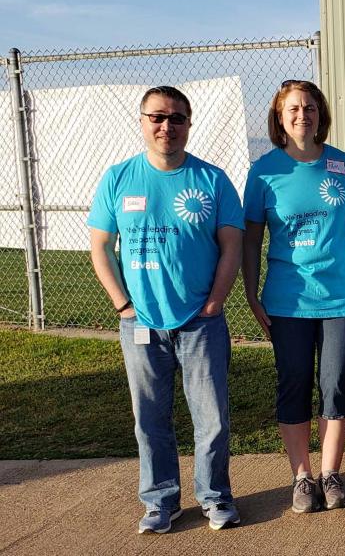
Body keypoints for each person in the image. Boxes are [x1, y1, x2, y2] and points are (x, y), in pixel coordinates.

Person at [88, 86, 244, 533]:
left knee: (211, 417)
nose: (166, 126)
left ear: (188, 125)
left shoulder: (212, 180)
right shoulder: (119, 178)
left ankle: (215, 497)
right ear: (142, 121)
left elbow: (231, 245)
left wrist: (215, 301)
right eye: (157, 117)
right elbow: (101, 246)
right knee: (150, 417)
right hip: (141, 323)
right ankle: (161, 502)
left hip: (200, 321)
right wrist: (123, 305)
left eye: (177, 118)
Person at [242, 80, 345, 513]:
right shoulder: (264, 171)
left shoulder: (343, 164)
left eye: (309, 108)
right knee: (293, 383)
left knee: (335, 384)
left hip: (342, 298)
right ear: (279, 116)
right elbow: (252, 238)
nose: (302, 116)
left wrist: (331, 258)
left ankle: (330, 473)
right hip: (287, 301)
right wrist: (252, 294)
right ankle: (302, 477)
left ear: (320, 113)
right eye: (293, 109)